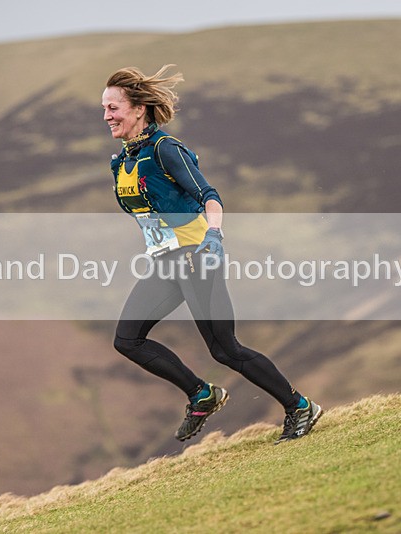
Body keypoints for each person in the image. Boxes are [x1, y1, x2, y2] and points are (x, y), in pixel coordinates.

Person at [102, 64, 322, 444]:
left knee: (225, 349)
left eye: (113, 108)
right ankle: (201, 394)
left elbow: (210, 196)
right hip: (165, 263)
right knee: (128, 340)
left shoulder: (165, 149)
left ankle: (300, 406)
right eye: (104, 109)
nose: (106, 116)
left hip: (196, 257)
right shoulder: (121, 161)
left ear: (138, 109)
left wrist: (214, 235)